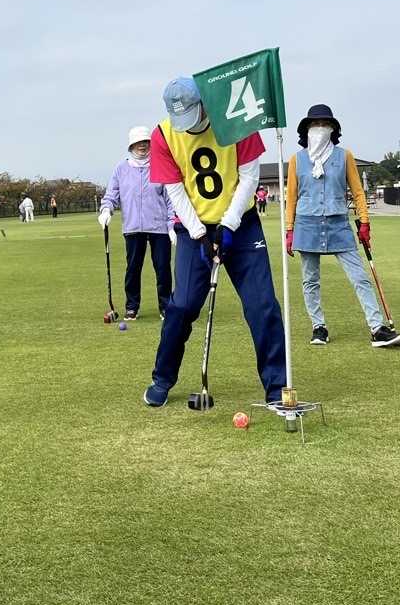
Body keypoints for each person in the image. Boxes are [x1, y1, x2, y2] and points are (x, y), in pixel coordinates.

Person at [143, 77, 286, 407]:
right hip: (194, 228)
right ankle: (162, 378)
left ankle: (278, 388)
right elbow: (175, 191)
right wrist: (200, 234)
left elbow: (250, 176)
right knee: (182, 306)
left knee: (263, 306)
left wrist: (228, 225)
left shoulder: (237, 121)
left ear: (205, 102)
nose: (188, 127)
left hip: (242, 224)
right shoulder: (163, 135)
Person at [285, 104, 400, 348]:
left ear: (333, 128)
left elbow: (358, 191)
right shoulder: (297, 159)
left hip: (339, 223)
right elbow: (292, 197)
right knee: (310, 280)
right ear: (307, 129)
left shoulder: (344, 155)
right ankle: (319, 327)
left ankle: (377, 328)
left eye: (324, 124)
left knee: (360, 277)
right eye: (315, 125)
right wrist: (289, 229)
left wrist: (365, 221)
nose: (320, 128)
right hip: (307, 223)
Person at [98, 126, 176, 320]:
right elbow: (111, 195)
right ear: (131, 145)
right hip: (133, 227)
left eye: (146, 142)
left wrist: (172, 224)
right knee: (133, 268)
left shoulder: (161, 165)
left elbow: (170, 199)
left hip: (159, 227)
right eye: (138, 142)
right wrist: (106, 209)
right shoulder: (121, 169)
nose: (142, 145)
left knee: (162, 268)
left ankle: (165, 305)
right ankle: (132, 306)